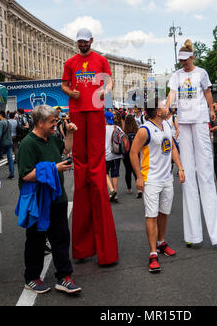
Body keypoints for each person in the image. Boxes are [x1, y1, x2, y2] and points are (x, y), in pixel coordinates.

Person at [62, 28, 118, 266]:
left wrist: (105, 89)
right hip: (76, 111)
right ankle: (83, 247)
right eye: (79, 42)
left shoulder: (101, 60)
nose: (82, 45)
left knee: (96, 167)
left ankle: (103, 248)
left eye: (85, 42)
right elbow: (64, 85)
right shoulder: (70, 62)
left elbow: (110, 80)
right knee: (82, 169)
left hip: (95, 111)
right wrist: (70, 91)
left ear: (92, 41)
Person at [166, 39, 217, 249]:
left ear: (192, 57)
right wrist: (167, 107)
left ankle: (216, 233)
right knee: (188, 178)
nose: (184, 63)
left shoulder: (201, 73)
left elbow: (207, 92)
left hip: (200, 120)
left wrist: (211, 109)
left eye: (186, 60)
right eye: (181, 60)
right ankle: (193, 235)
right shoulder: (176, 75)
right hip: (183, 123)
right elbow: (172, 94)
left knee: (206, 175)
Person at [17, 105, 81, 295]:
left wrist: (69, 133)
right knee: (36, 242)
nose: (56, 124)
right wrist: (54, 169)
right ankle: (32, 278)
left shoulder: (52, 139)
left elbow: (67, 150)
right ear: (40, 123)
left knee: (61, 239)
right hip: (38, 201)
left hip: (57, 197)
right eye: (52, 122)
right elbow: (26, 175)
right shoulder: (28, 144)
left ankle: (64, 276)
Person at [130, 100, 185, 273]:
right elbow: (132, 153)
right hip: (151, 179)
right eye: (163, 105)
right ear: (157, 111)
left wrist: (180, 167)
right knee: (151, 215)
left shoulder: (167, 126)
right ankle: (153, 253)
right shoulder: (144, 130)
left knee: (164, 213)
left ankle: (161, 242)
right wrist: (139, 176)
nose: (167, 107)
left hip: (167, 178)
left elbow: (173, 149)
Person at [105, 111, 123, 203]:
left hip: (107, 155)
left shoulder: (103, 129)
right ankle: (115, 195)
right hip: (117, 154)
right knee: (115, 174)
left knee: (104, 172)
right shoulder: (117, 127)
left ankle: (111, 190)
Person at [123, 114, 139, 196]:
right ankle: (139, 189)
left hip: (126, 155)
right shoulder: (137, 132)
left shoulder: (124, 133)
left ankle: (129, 189)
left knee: (128, 171)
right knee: (136, 170)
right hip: (136, 153)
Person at [0, 111, 15, 179]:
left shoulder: (0, 123)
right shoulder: (8, 122)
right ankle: (12, 173)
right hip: (9, 142)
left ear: (0, 115)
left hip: (2, 143)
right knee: (10, 158)